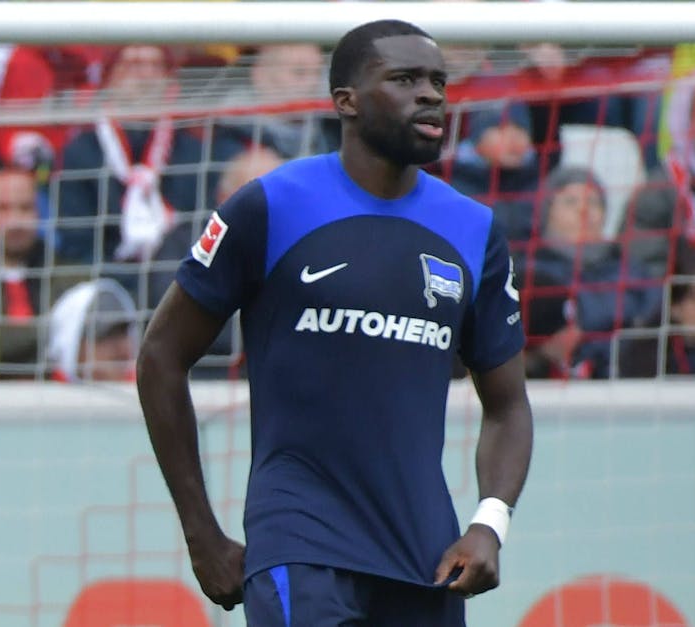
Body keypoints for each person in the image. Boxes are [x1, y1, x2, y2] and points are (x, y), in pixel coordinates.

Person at [135, 20, 535, 625]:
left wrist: (490, 522)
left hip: (426, 560)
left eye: (437, 81)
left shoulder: (473, 230)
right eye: (405, 79)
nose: (430, 94)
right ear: (345, 101)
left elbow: (507, 405)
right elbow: (160, 357)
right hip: (301, 548)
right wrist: (201, 534)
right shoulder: (271, 204)